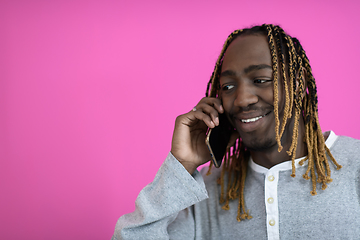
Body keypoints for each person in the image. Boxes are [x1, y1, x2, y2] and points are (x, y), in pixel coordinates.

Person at [112, 24, 360, 239]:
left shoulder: (354, 164)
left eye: (260, 80)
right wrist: (181, 167)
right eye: (228, 86)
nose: (241, 100)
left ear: (296, 83)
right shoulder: (204, 191)